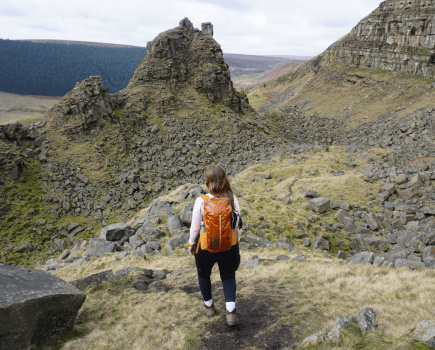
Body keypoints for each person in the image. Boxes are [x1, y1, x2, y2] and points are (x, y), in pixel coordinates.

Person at [189, 165, 241, 326]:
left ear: (207, 182)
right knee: (228, 276)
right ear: (224, 179)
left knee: (204, 275)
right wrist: (236, 242)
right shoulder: (231, 198)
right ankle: (231, 314)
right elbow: (237, 224)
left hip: (205, 247)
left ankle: (209, 308)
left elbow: (195, 227)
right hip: (228, 246)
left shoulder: (201, 200)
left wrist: (191, 243)